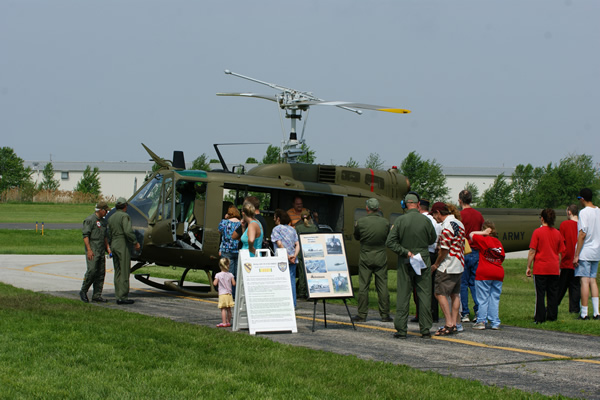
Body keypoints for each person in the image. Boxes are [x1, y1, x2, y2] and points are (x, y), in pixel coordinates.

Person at [386, 193, 437, 339]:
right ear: (418, 204)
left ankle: (401, 329)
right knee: (424, 293)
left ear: (405, 205)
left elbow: (390, 242)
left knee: (403, 294)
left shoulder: (400, 220)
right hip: (423, 259)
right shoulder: (426, 220)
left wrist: (405, 252)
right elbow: (432, 239)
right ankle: (425, 329)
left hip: (406, 260)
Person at [353, 198, 392, 323]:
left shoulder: (361, 222)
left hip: (366, 255)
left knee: (363, 286)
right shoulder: (385, 223)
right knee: (382, 285)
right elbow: (388, 237)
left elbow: (357, 236)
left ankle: (362, 314)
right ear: (378, 208)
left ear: (367, 208)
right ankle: (385, 314)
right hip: (380, 255)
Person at [430, 202, 466, 336]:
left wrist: (436, 264)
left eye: (434, 214)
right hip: (459, 263)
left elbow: (444, 249)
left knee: (439, 293)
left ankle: (449, 324)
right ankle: (455, 323)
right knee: (455, 294)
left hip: (448, 265)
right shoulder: (459, 223)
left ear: (438, 212)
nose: (434, 218)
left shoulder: (446, 226)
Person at [526, 209, 565, 323]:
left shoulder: (537, 232)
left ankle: (540, 317)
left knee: (540, 294)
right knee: (552, 294)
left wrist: (528, 266)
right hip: (553, 267)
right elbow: (560, 252)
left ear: (542, 219)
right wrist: (558, 266)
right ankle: (552, 316)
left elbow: (532, 251)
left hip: (541, 267)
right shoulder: (557, 233)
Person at [470, 221, 505, 330]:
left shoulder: (483, 240)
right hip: (498, 272)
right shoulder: (498, 242)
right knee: (494, 298)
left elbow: (471, 234)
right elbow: (502, 257)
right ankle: (495, 322)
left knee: (483, 299)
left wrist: (483, 233)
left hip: (484, 272)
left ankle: (481, 321)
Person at [107, 197, 141, 305]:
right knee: (125, 271)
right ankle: (123, 296)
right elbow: (127, 231)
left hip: (114, 244)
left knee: (117, 271)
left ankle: (118, 295)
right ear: (125, 206)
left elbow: (109, 233)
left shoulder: (111, 217)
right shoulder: (124, 216)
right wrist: (135, 242)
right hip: (122, 244)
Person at [573, 188, 600, 320]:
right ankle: (596, 312)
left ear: (582, 199)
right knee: (593, 281)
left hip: (586, 251)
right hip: (596, 251)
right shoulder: (598, 211)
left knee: (584, 281)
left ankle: (584, 313)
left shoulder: (583, 212)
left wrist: (576, 254)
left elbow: (582, 234)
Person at [458, 190, 484, 323]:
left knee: (462, 284)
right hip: (475, 251)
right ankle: (478, 310)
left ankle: (465, 312)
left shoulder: (460, 215)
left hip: (463, 251)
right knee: (475, 283)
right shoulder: (478, 215)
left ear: (460, 201)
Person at [415, 198, 441, 323]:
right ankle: (433, 313)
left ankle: (421, 314)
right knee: (432, 286)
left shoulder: (421, 220)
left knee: (420, 285)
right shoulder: (435, 221)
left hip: (422, 253)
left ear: (419, 206)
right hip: (433, 253)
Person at [80, 201, 111, 303]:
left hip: (101, 249)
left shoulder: (103, 222)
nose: (106, 212)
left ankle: (97, 295)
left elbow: (105, 236)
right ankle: (83, 290)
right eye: (105, 210)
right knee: (92, 271)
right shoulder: (90, 220)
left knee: (101, 273)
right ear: (101, 210)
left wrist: (108, 248)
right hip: (93, 249)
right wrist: (89, 250)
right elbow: (86, 236)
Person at [272, 209, 300, 307]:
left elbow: (279, 243)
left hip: (282, 259)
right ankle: (293, 304)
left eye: (274, 217)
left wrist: (287, 256)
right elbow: (297, 244)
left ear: (278, 218)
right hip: (293, 259)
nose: (273, 219)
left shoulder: (276, 229)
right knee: (291, 281)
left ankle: (282, 303)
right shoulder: (292, 229)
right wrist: (294, 256)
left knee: (280, 281)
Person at [558, 204, 581, 314]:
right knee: (575, 286)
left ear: (569, 212)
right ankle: (574, 308)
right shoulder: (581, 224)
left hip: (567, 259)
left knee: (561, 286)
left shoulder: (565, 224)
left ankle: (553, 305)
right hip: (578, 259)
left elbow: (561, 242)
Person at [218, 205, 241, 297]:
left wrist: (225, 218)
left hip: (226, 250)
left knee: (227, 273)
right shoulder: (240, 223)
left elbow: (219, 231)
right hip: (238, 250)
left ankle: (228, 293)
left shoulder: (224, 222)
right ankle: (236, 294)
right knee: (237, 273)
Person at [295, 209, 319, 299]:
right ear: (309, 218)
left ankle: (302, 292)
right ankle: (312, 291)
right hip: (312, 253)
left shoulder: (298, 228)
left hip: (301, 253)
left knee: (302, 273)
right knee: (312, 272)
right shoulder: (314, 228)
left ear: (301, 218)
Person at [213, 257, 236, 327]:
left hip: (222, 294)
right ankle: (228, 322)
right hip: (229, 294)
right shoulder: (230, 274)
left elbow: (215, 283)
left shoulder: (218, 275)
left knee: (223, 309)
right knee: (229, 309)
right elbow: (234, 283)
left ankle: (224, 322)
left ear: (220, 266)